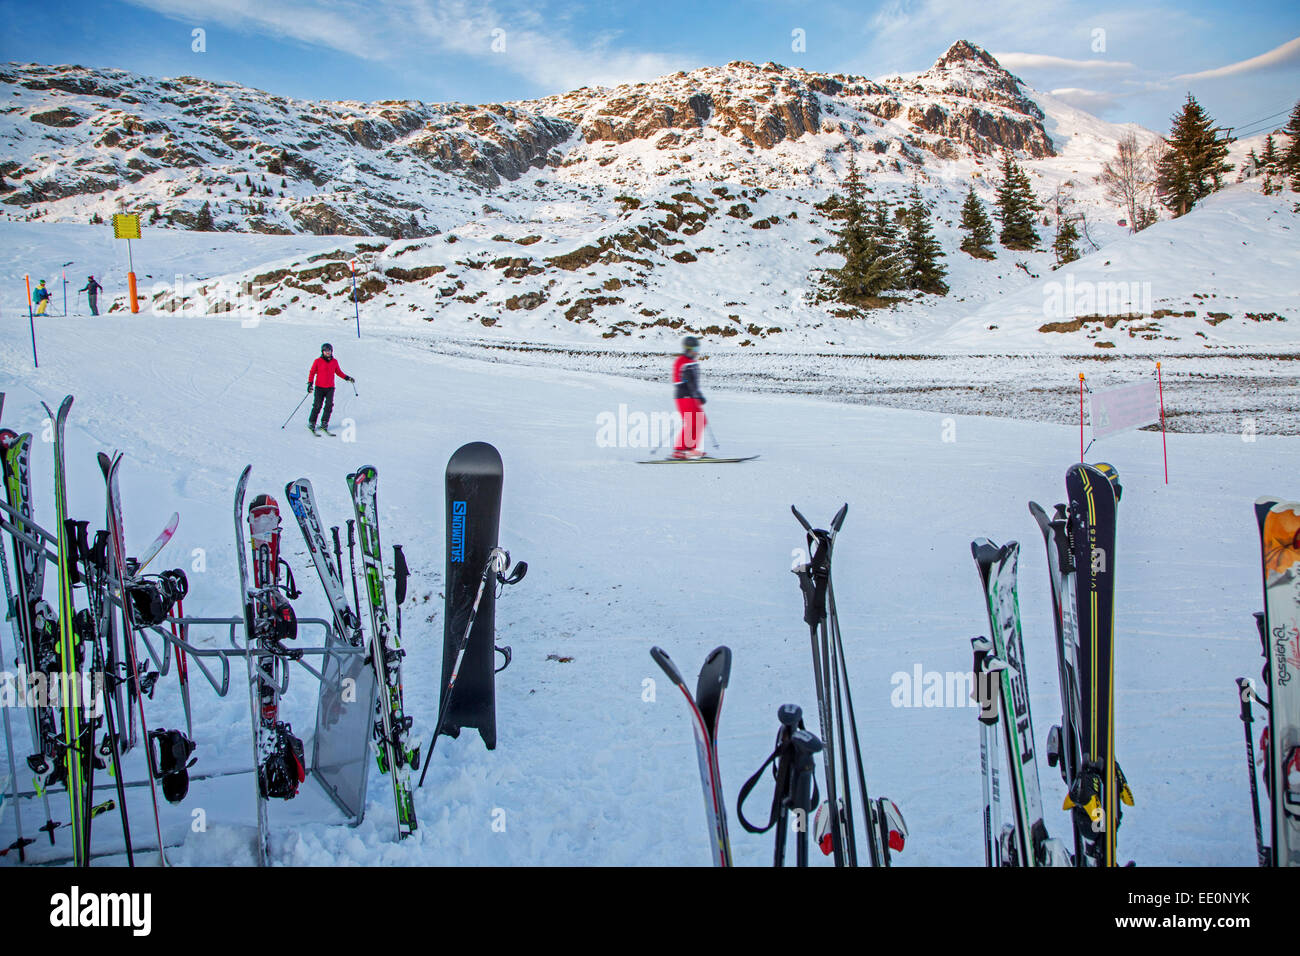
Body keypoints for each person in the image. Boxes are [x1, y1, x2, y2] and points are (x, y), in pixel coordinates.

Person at [306, 343, 355, 435]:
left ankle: (324, 422)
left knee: (329, 405)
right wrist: (310, 384)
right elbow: (312, 372)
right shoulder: (318, 361)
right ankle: (312, 422)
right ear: (323, 352)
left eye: (329, 351)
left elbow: (338, 372)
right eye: (326, 351)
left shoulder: (334, 362)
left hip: (330, 388)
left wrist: (348, 378)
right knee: (317, 405)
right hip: (319, 387)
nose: (328, 352)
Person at [672, 335, 707, 459]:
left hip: (692, 396)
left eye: (698, 348)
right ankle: (679, 450)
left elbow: (694, 383)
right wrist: (693, 392)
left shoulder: (691, 362)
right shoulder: (682, 361)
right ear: (688, 349)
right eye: (695, 349)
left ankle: (691, 449)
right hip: (684, 396)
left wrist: (699, 395)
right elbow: (685, 381)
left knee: (701, 420)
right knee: (691, 421)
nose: (697, 351)